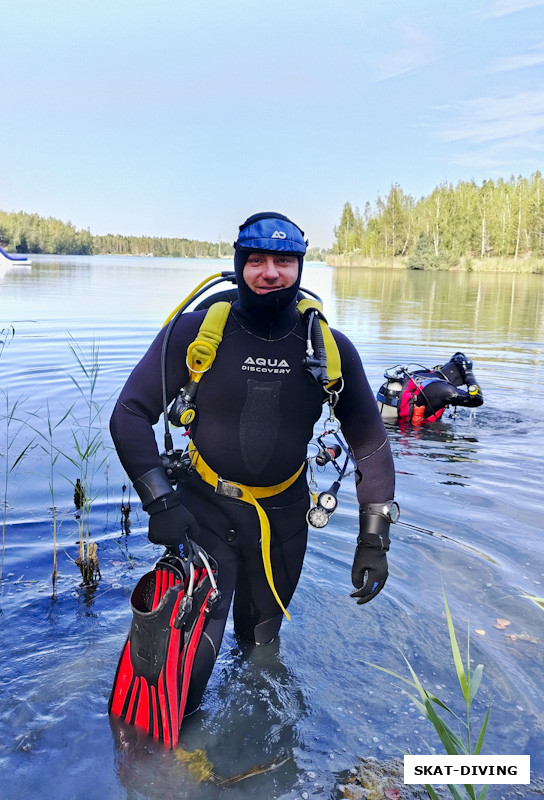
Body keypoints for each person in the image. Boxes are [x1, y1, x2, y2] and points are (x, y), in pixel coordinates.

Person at [109, 211, 396, 728]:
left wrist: (373, 539)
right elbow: (129, 412)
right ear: (238, 264)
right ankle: (177, 761)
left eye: (284, 261)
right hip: (203, 513)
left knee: (262, 651)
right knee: (195, 657)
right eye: (257, 260)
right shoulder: (196, 331)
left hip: (283, 519)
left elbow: (371, 444)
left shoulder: (328, 349)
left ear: (301, 267)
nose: (270, 273)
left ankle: (254, 751)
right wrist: (161, 501)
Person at [376, 353, 484, 424]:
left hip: (387, 424)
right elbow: (476, 399)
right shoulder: (445, 389)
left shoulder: (421, 374)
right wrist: (469, 375)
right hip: (413, 434)